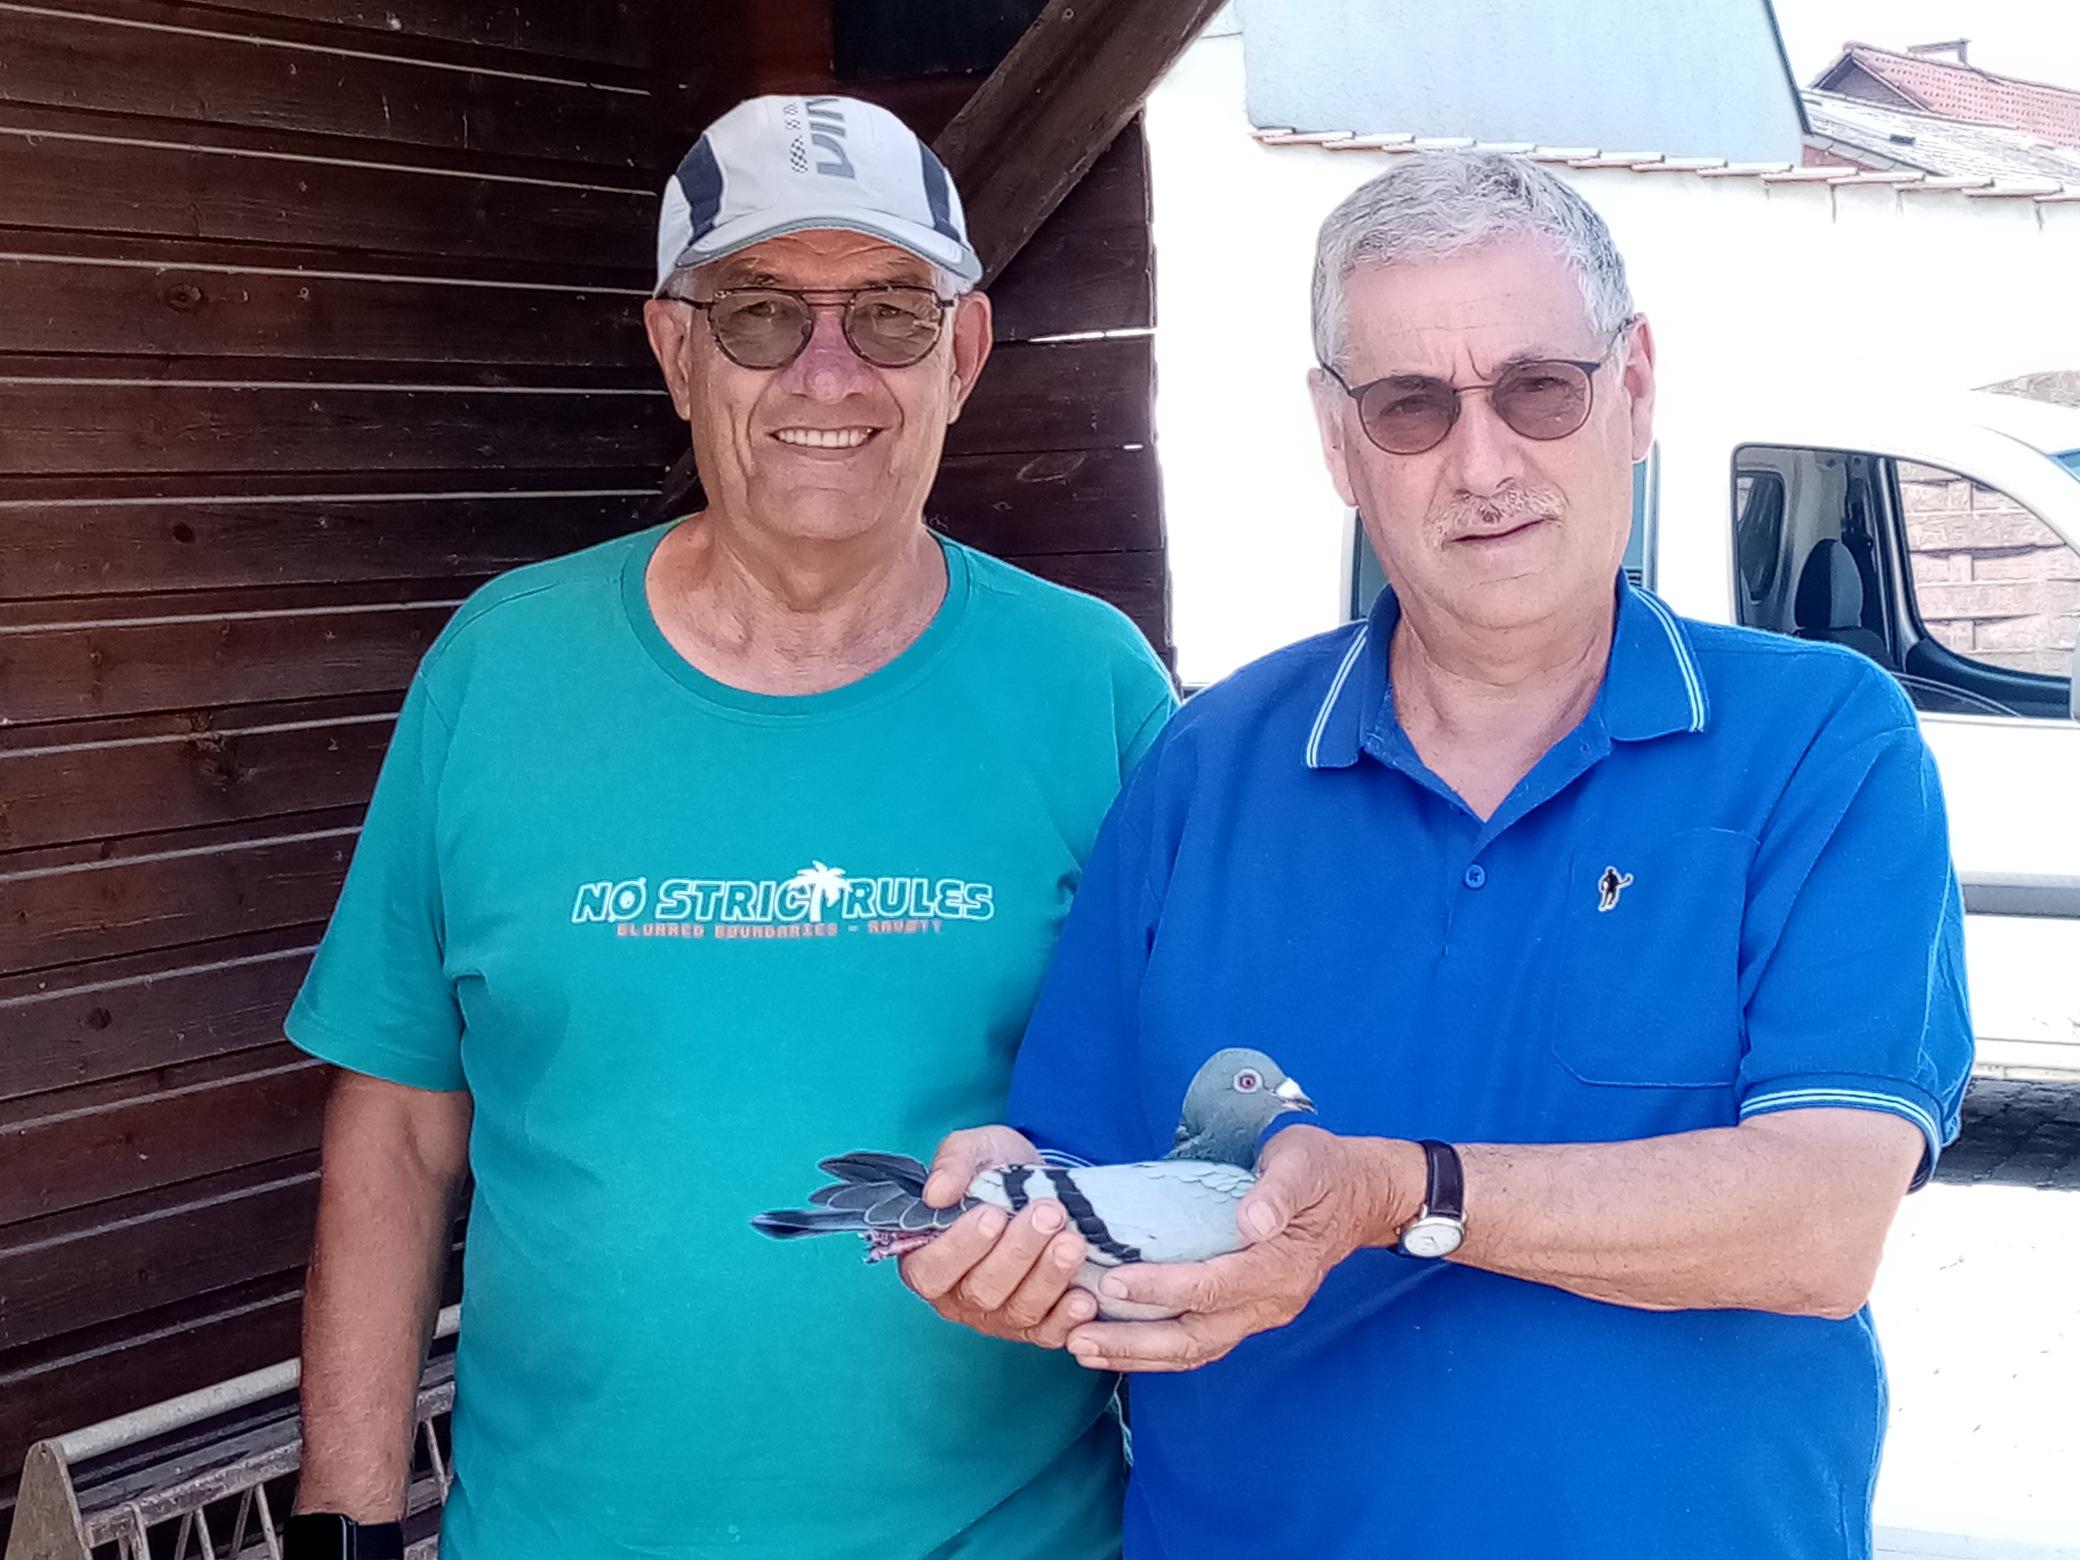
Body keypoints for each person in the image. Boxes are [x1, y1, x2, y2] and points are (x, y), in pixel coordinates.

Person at [901, 153, 1971, 1559]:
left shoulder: (1820, 744)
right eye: (1412, 407)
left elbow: (1819, 1224)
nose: (1483, 464)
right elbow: (1087, 1172)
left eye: (1540, 388)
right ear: (1339, 445)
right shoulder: (1206, 766)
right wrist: (1013, 1237)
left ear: (1635, 390)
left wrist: (1402, 1193)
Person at [283, 94, 1174, 1560]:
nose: (829, 370)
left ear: (963, 352)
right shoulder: (499, 672)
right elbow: (396, 1126)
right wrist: (349, 1522)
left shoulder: (1096, 690)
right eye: (759, 313)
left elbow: (1188, 1103)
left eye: (891, 313)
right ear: (673, 347)